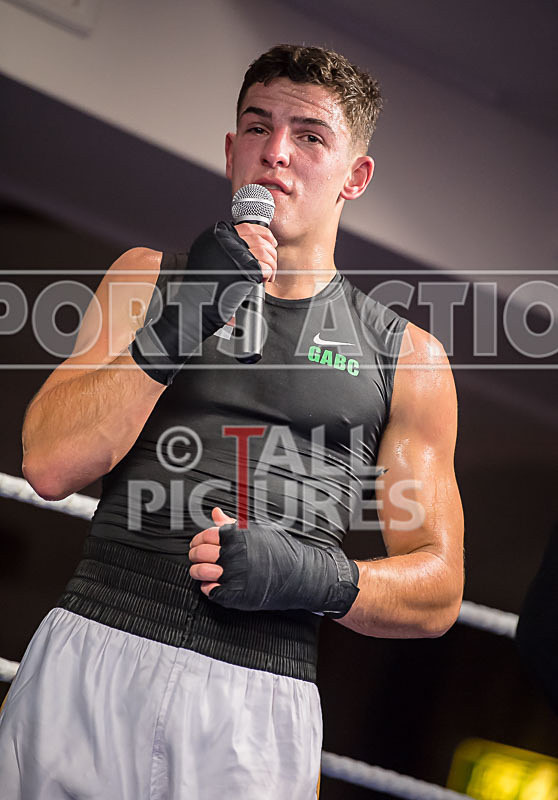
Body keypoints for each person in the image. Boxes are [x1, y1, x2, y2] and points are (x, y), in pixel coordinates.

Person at [0, 44, 464, 799]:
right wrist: (180, 323)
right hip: (96, 647)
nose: (276, 153)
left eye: (310, 135)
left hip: (259, 698)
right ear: (230, 150)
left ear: (356, 176)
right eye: (258, 126)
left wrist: (315, 576)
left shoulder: (407, 357)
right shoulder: (148, 278)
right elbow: (50, 465)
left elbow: (441, 589)